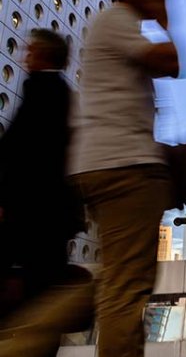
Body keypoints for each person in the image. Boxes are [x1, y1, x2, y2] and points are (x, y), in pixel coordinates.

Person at [70, 0, 181, 357]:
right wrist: (166, 20)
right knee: (125, 292)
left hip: (111, 166)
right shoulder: (116, 20)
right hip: (126, 169)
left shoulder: (114, 25)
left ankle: (31, 327)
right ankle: (29, 331)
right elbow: (173, 61)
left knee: (119, 284)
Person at [0, 29, 92, 357]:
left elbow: (20, 156)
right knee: (41, 290)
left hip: (32, 214)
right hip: (50, 216)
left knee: (36, 293)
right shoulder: (62, 94)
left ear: (44, 55)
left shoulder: (43, 91)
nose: (25, 56)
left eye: (32, 50)